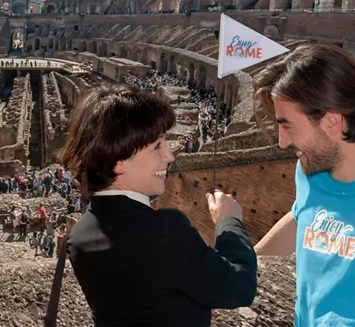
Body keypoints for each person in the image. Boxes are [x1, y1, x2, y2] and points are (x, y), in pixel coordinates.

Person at [62, 85, 256, 326]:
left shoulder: (79, 234)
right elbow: (241, 288)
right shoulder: (164, 231)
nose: (170, 156)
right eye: (157, 146)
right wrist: (229, 223)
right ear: (118, 161)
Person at [252, 44, 355, 325]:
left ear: (331, 122)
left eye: (288, 126)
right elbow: (303, 217)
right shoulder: (311, 171)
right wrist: (244, 263)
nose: (282, 142)